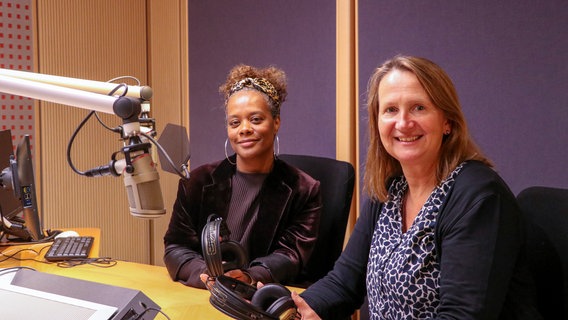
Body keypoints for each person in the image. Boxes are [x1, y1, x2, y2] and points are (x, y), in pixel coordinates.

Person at [291, 55, 542, 319]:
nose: (403, 123)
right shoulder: (391, 189)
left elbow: (462, 316)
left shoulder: (479, 196)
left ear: (447, 121)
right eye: (390, 110)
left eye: (419, 108)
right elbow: (344, 283)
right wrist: (292, 308)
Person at [163, 64, 322, 289]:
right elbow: (175, 247)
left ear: (276, 122)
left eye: (255, 119)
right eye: (234, 122)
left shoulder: (304, 189)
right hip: (203, 296)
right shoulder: (197, 183)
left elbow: (291, 255)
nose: (244, 129)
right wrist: (201, 273)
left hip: (262, 300)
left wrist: (251, 276)